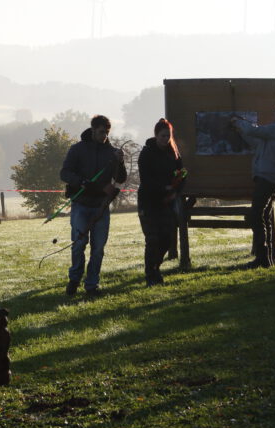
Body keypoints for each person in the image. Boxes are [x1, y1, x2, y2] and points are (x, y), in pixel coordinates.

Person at [59, 115, 127, 297]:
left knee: (98, 248)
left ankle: (91, 285)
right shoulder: (77, 150)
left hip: (101, 207)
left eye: (106, 132)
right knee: (78, 244)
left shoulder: (112, 152)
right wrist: (81, 182)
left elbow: (120, 179)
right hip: (81, 204)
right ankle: (74, 279)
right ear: (93, 130)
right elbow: (64, 173)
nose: (104, 136)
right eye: (100, 132)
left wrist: (120, 162)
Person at [232, 106, 275, 268]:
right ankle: (267, 258)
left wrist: (239, 122)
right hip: (270, 176)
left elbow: (256, 131)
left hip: (267, 177)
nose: (273, 117)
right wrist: (241, 130)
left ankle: (262, 256)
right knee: (264, 216)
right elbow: (255, 141)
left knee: (256, 215)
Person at [137, 118, 185, 285]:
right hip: (149, 202)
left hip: (167, 202)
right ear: (156, 135)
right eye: (163, 136)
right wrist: (163, 188)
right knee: (152, 239)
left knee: (166, 238)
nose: (166, 139)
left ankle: (155, 267)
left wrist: (176, 190)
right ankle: (151, 274)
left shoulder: (174, 153)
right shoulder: (146, 153)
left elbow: (182, 173)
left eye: (168, 136)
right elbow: (146, 180)